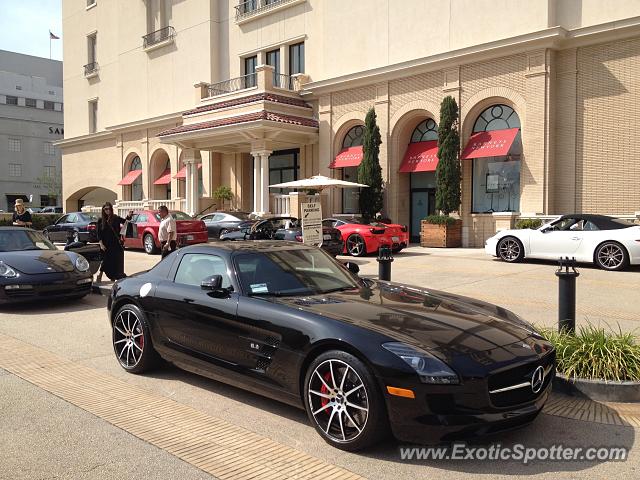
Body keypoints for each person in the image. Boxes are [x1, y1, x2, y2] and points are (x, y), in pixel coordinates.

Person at [96, 202, 132, 282]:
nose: (107, 211)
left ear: (111, 209)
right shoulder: (100, 220)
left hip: (115, 243)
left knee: (115, 261)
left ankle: (113, 277)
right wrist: (101, 244)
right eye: (105, 209)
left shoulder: (115, 218)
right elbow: (99, 234)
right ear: (103, 210)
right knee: (105, 260)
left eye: (109, 209)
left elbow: (125, 221)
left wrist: (129, 216)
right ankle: (100, 274)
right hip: (105, 244)